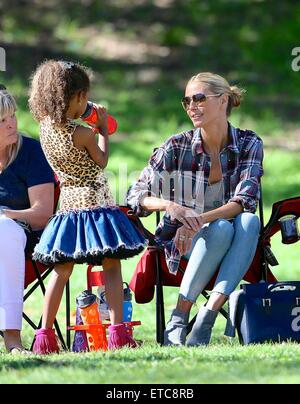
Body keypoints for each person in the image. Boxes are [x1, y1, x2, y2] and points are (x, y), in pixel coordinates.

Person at [126, 72, 263, 346]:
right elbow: (136, 194)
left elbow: (245, 200)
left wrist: (199, 219)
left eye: (199, 98)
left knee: (247, 221)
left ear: (223, 101)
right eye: (186, 100)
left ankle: (207, 316)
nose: (191, 106)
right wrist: (169, 205)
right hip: (182, 242)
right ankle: (179, 317)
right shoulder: (176, 146)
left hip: (232, 239)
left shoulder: (249, 143)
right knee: (222, 227)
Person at [29, 60, 147, 354]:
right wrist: (104, 130)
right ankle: (118, 334)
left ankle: (44, 335)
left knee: (62, 269)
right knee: (111, 264)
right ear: (78, 97)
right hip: (95, 204)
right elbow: (102, 161)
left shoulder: (44, 128)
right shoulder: (83, 133)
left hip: (67, 206)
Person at [0, 85, 55, 354]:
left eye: (12, 116)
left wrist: (5, 214)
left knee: (2, 230)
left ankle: (12, 337)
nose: (12, 124)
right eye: (2, 120)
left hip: (23, 234)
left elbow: (43, 213)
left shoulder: (30, 152)